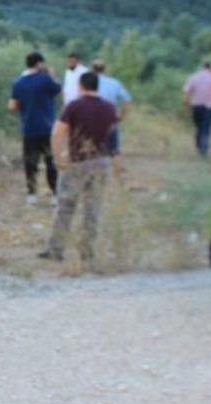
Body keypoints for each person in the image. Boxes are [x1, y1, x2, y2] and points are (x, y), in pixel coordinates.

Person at [40, 72, 118, 263]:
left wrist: (57, 157)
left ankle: (55, 249)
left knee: (66, 205)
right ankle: (87, 251)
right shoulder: (109, 107)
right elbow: (113, 135)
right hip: (101, 161)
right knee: (93, 208)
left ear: (81, 86)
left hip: (78, 161)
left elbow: (58, 131)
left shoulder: (74, 106)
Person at [9, 52, 62, 204]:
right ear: (39, 64)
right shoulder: (45, 79)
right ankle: (54, 195)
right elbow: (57, 89)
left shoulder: (18, 82)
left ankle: (31, 195)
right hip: (47, 127)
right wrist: (52, 74)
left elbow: (12, 106)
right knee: (50, 161)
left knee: (30, 162)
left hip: (28, 128)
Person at [91, 59, 132, 179]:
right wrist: (121, 116)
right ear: (104, 69)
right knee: (114, 150)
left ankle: (95, 177)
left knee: (92, 148)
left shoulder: (88, 82)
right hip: (110, 118)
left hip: (92, 118)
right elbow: (127, 99)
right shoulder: (114, 83)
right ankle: (117, 178)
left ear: (92, 69)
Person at [183, 61, 211, 157]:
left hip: (196, 106)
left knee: (198, 126)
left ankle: (199, 145)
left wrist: (186, 104)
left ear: (201, 67)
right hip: (210, 106)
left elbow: (187, 92)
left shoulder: (193, 77)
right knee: (206, 127)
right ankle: (204, 147)